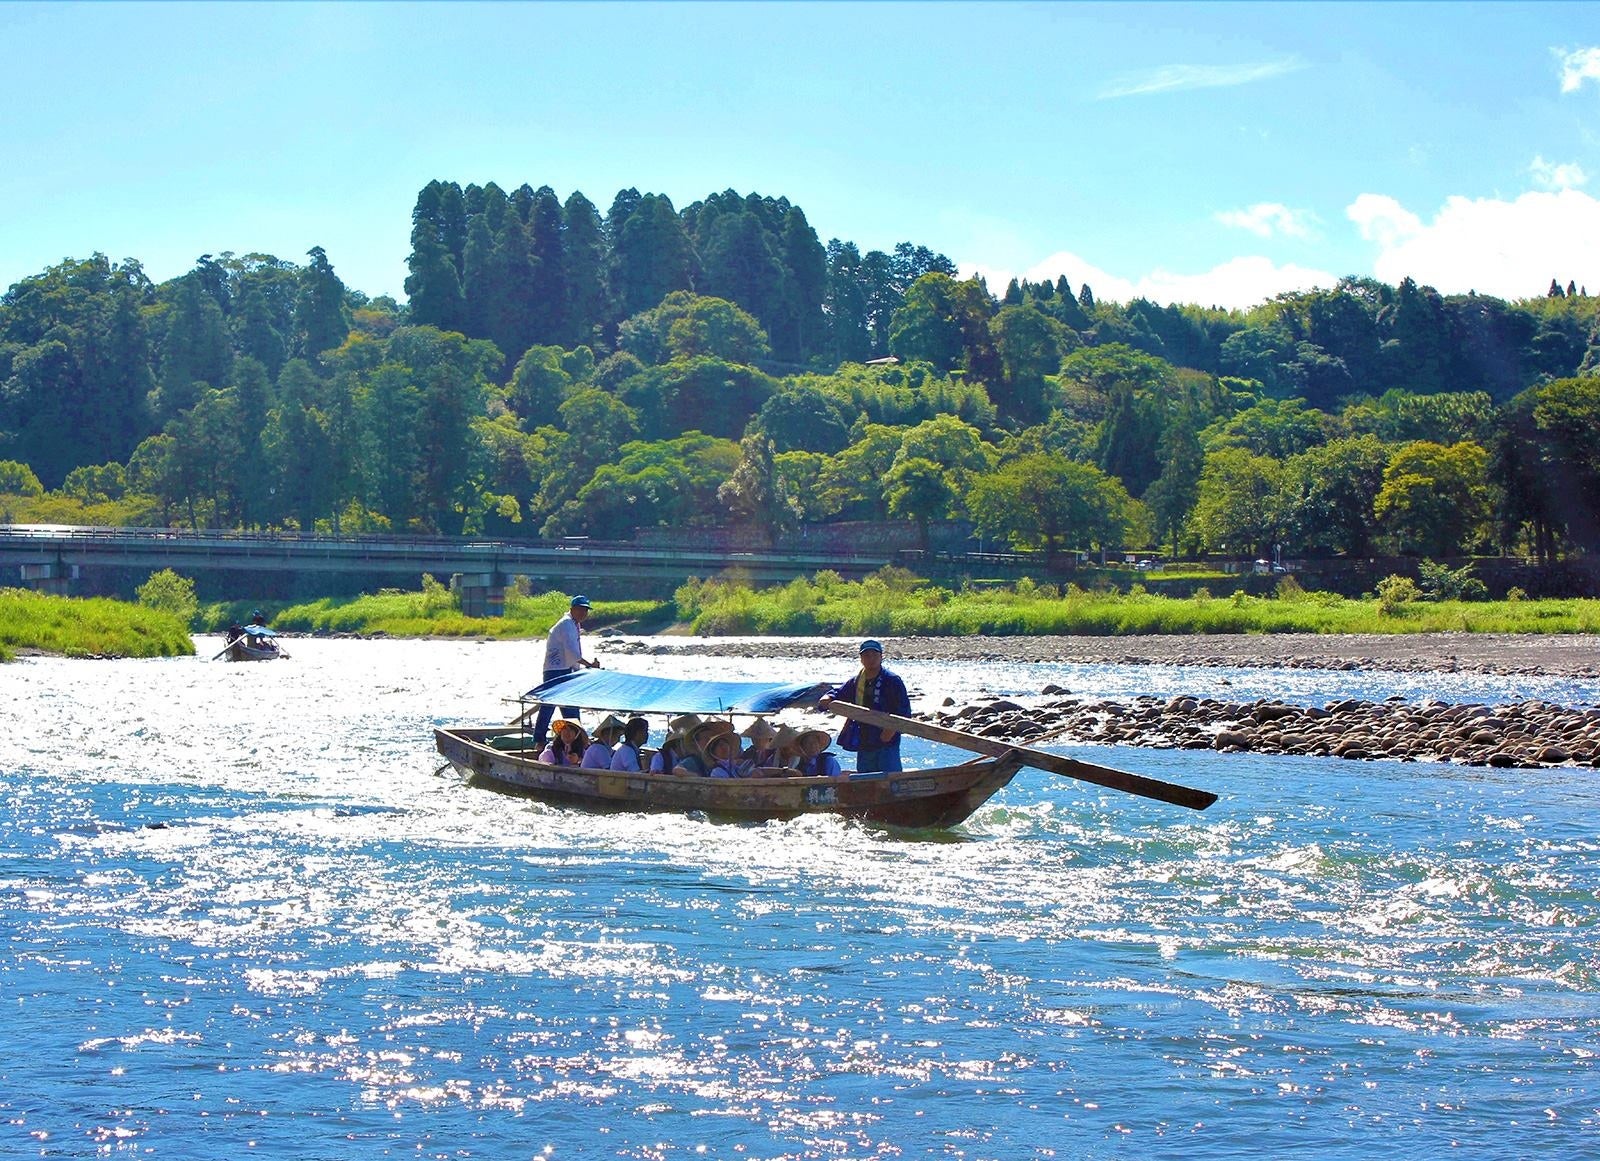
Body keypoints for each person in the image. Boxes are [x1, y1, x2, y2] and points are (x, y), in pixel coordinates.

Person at [818, 638, 911, 773]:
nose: (871, 658)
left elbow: (903, 710)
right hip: (864, 738)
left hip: (886, 738)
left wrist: (891, 730)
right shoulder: (857, 681)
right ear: (861, 658)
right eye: (867, 655)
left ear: (881, 657)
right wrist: (828, 698)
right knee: (866, 778)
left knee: (889, 778)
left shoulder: (892, 680)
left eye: (874, 655)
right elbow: (839, 693)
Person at [530, 595, 602, 750]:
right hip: (555, 670)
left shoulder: (574, 624)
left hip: (566, 669)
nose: (583, 613)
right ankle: (540, 740)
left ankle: (578, 741)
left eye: (585, 610)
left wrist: (583, 669)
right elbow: (572, 653)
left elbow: (573, 656)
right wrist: (589, 665)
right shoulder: (566, 624)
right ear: (572, 609)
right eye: (580, 609)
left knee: (570, 706)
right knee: (549, 704)